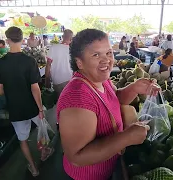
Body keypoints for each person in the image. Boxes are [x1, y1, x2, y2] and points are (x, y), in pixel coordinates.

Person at [57, 28, 160, 180]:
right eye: (96, 55)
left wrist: (134, 88)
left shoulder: (100, 79)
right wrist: (126, 137)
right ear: (79, 62)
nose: (106, 60)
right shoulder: (78, 97)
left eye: (109, 52)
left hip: (107, 168)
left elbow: (114, 99)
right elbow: (77, 157)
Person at [0, 27, 53, 177]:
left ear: (7, 40)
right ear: (22, 40)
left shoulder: (0, 63)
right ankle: (44, 151)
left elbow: (0, 91)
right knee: (42, 132)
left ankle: (33, 168)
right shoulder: (29, 61)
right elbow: (35, 88)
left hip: (15, 109)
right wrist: (40, 109)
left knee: (23, 140)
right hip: (32, 106)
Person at [45, 29, 74, 96]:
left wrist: (47, 80)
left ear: (62, 36)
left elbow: (48, 64)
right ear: (71, 38)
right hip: (70, 79)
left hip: (57, 80)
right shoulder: (72, 50)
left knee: (60, 100)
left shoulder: (53, 47)